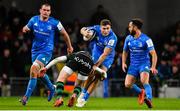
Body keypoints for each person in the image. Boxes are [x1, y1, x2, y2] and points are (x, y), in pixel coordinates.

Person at [20, 3, 73, 105]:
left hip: (46, 52)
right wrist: (25, 29)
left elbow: (65, 34)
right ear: (40, 10)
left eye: (48, 10)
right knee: (39, 73)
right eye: (44, 10)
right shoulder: (33, 20)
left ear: (50, 12)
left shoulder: (55, 22)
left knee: (33, 69)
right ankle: (51, 88)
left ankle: (26, 97)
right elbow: (24, 28)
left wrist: (69, 46)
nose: (46, 12)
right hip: (34, 51)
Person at [39, 51, 107, 107]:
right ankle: (74, 95)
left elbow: (57, 59)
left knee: (61, 79)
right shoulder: (91, 62)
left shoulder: (73, 55)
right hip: (88, 64)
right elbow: (101, 71)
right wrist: (104, 75)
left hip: (77, 58)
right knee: (79, 85)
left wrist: (46, 68)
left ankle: (59, 98)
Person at [76, 19, 117, 107]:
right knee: (91, 74)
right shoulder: (96, 28)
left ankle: (84, 98)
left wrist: (95, 65)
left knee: (99, 76)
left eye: (107, 28)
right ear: (100, 27)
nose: (106, 31)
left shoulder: (113, 38)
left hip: (108, 57)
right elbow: (82, 29)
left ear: (110, 28)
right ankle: (83, 93)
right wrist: (85, 34)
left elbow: (105, 54)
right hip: (96, 52)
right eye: (104, 28)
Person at [122, 18, 158, 108]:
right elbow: (125, 52)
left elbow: (153, 54)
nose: (129, 28)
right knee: (127, 84)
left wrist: (153, 67)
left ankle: (149, 99)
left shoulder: (146, 39)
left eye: (130, 27)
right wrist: (123, 62)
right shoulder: (128, 38)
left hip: (144, 64)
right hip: (133, 65)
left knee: (144, 81)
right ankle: (141, 92)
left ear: (135, 27)